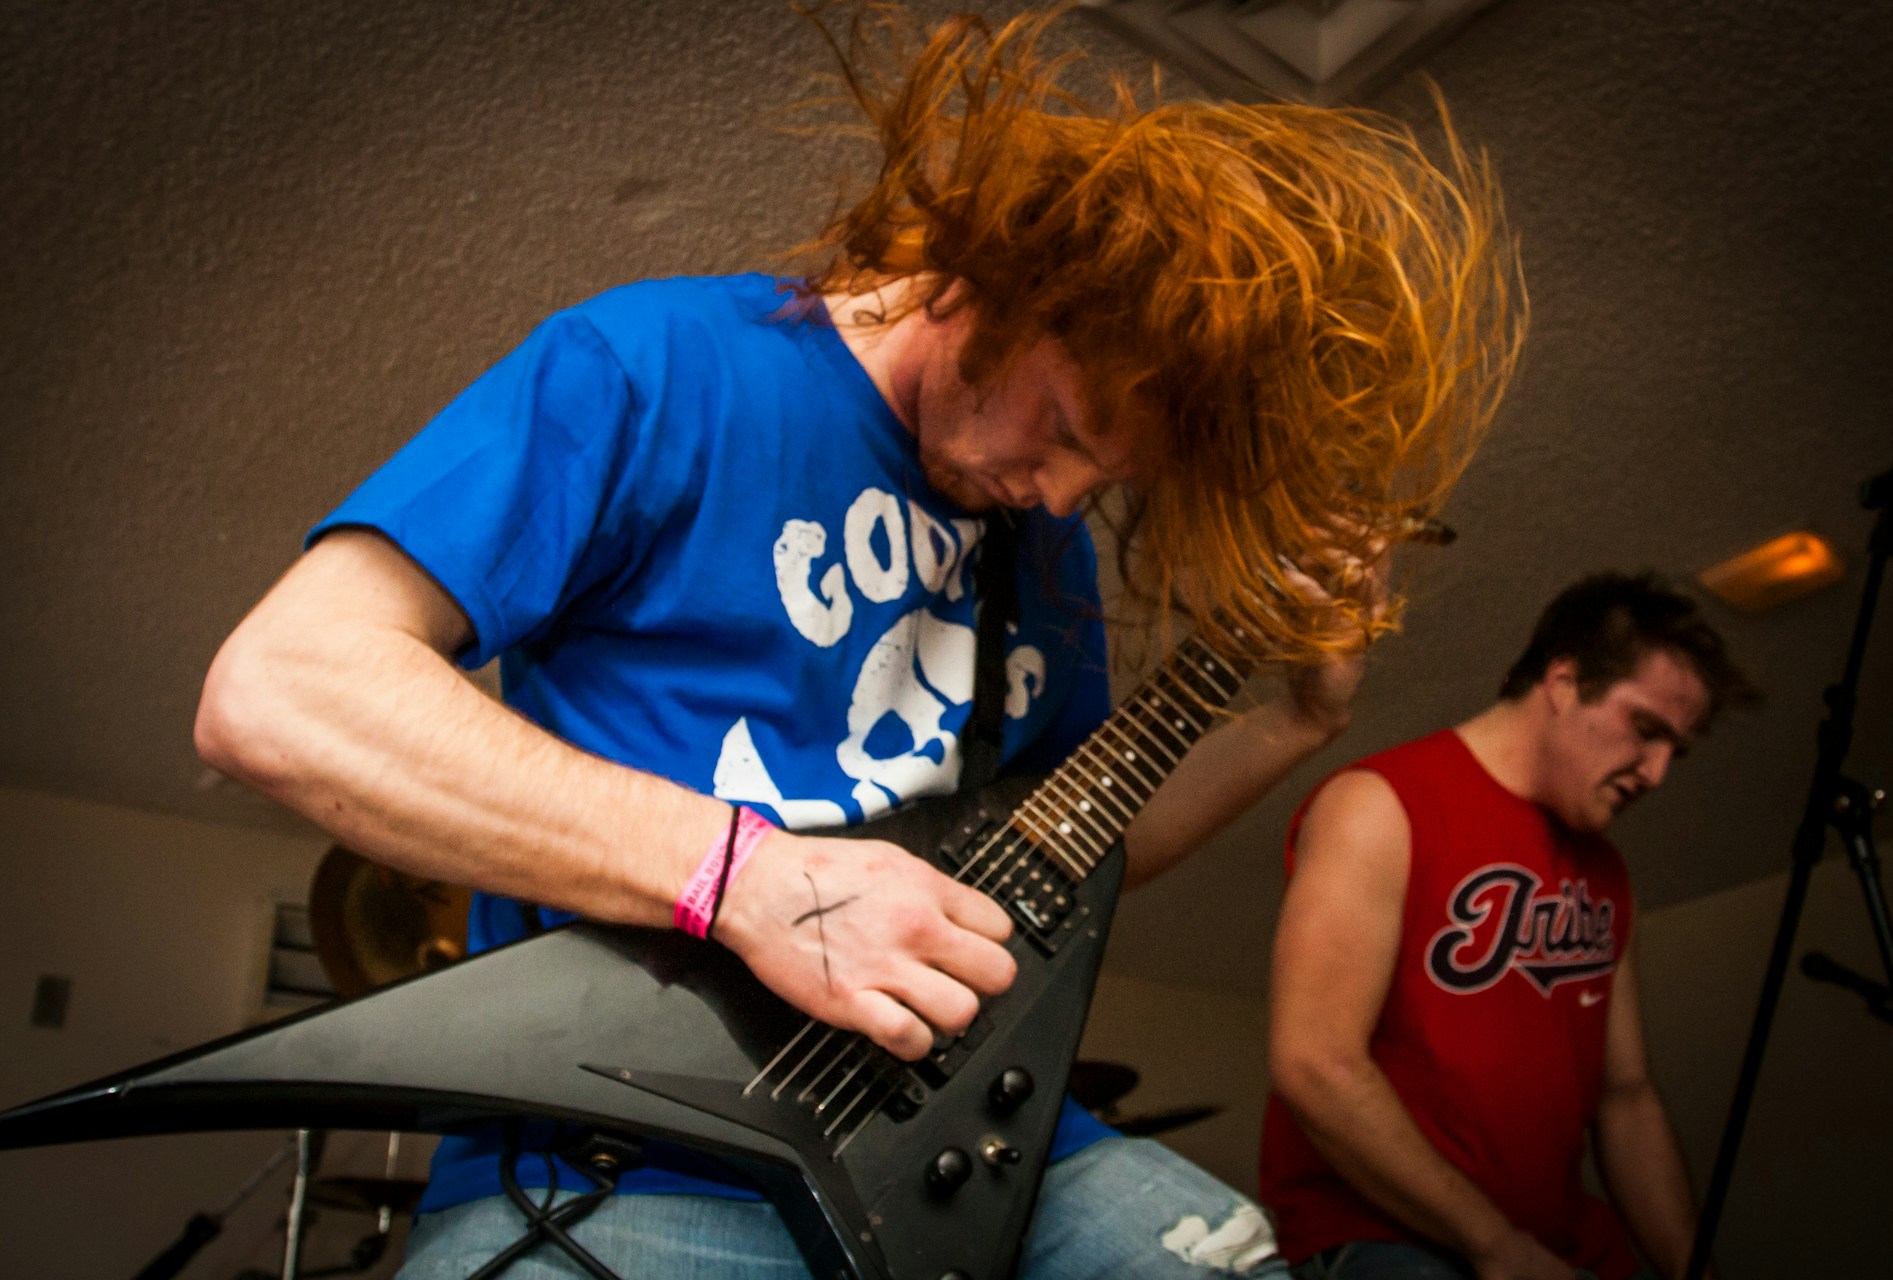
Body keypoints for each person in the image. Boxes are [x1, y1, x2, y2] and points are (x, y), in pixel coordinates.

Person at [193, 8, 1522, 1277]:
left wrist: (1295, 721)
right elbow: (281, 690)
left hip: (979, 1146)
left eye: (1104, 479)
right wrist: (747, 879)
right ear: (1006, 274)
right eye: (1062, 425)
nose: (1061, 498)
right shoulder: (658, 363)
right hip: (635, 1150)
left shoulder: (1036, 550)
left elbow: (1069, 853)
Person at [1261, 573, 1758, 1280]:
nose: (1657, 772)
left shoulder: (1609, 877)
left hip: (1554, 1246)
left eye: (1676, 749)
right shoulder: (1379, 805)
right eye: (1646, 730)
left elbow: (1627, 1098)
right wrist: (1494, 1244)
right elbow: (1316, 1062)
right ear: (1563, 680)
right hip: (1390, 1238)